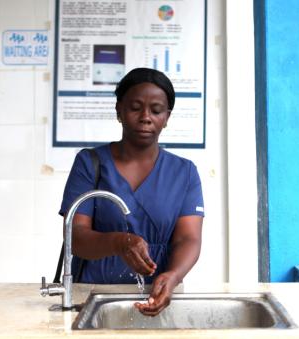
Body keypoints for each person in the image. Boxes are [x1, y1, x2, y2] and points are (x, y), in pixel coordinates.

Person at [59, 67, 204, 316]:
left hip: (159, 297)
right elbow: (76, 237)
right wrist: (118, 243)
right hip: (93, 297)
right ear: (119, 110)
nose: (146, 117)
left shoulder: (184, 172)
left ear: (167, 117)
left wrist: (173, 275)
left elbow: (188, 238)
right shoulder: (89, 163)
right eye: (135, 107)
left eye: (156, 110)